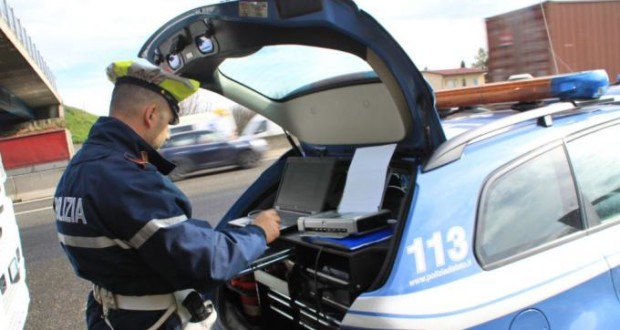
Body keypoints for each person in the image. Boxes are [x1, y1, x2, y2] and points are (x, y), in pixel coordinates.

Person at [53, 60, 281, 329]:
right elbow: (205, 262)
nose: (168, 134)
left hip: (110, 316)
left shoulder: (79, 168)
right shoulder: (128, 180)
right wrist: (258, 233)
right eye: (169, 122)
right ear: (151, 115)